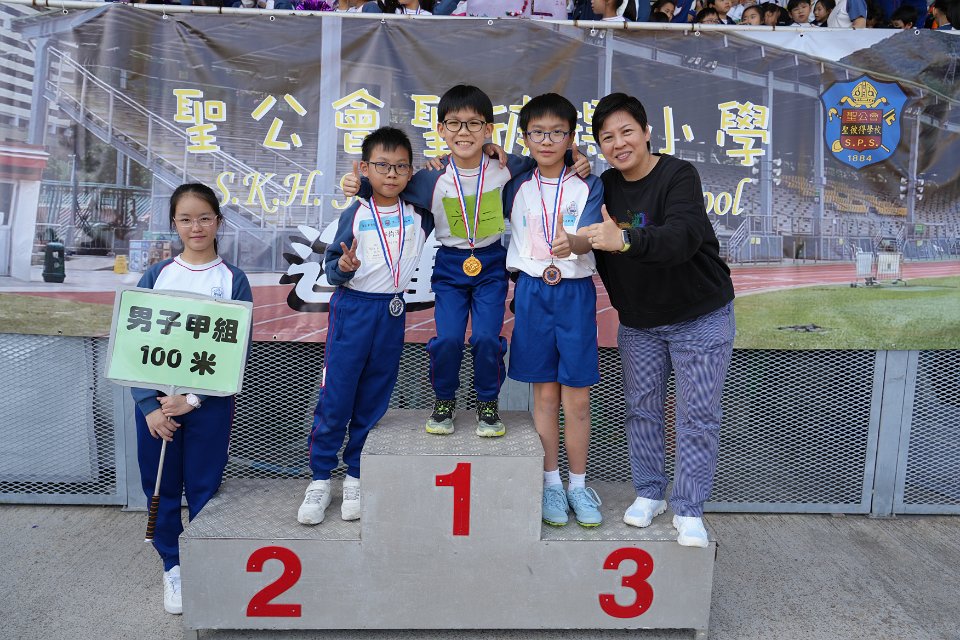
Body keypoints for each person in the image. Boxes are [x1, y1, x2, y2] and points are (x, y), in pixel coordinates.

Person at [342, 85, 590, 439]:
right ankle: (444, 399)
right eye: (454, 124)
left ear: (488, 129)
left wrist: (578, 160)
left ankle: (487, 402)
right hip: (450, 265)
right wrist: (360, 186)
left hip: (490, 264)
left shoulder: (506, 166)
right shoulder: (430, 177)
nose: (464, 132)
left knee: (487, 338)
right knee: (448, 339)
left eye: (474, 124)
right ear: (440, 129)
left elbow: (547, 159)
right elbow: (388, 188)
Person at [579, 93, 735, 548]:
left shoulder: (679, 175)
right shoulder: (603, 185)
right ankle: (650, 492)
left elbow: (682, 237)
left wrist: (624, 239)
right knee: (641, 409)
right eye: (607, 137)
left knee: (698, 415)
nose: (618, 143)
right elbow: (551, 165)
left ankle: (689, 507)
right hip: (640, 322)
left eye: (627, 131)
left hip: (700, 316)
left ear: (647, 132)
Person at [297, 127, 434, 526]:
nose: (391, 174)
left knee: (374, 397)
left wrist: (432, 165)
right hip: (353, 309)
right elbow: (330, 268)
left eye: (400, 167)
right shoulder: (354, 213)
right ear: (364, 168)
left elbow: (443, 178)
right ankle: (320, 478)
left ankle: (356, 475)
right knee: (337, 397)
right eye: (382, 166)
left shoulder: (419, 214)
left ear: (410, 172)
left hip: (392, 312)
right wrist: (343, 266)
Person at [131, 183, 253, 614]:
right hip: (158, 410)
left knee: (204, 486)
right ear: (174, 224)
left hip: (208, 406)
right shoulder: (157, 276)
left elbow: (237, 351)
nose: (195, 226)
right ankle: (173, 564)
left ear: (218, 221)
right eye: (185, 219)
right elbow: (133, 344)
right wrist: (149, 405)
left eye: (204, 218)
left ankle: (205, 560)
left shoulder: (232, 279)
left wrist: (194, 398)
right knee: (161, 487)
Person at [501, 94, 605, 528]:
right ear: (525, 138)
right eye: (538, 133)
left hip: (575, 292)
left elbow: (594, 232)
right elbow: (478, 166)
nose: (547, 141)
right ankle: (550, 484)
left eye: (557, 132)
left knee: (576, 398)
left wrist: (574, 242)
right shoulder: (515, 184)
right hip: (532, 290)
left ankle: (578, 485)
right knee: (544, 395)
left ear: (571, 137)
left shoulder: (589, 183)